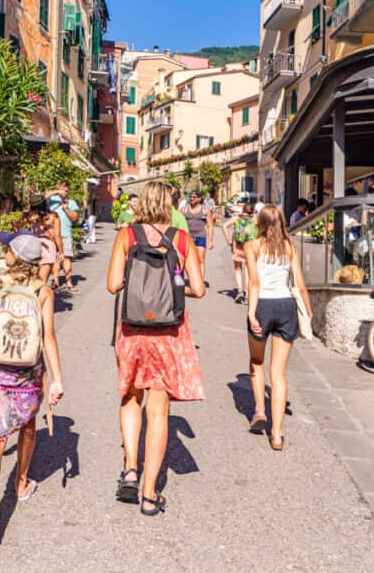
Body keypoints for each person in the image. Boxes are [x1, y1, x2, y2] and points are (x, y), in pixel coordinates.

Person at [107, 181, 205, 515]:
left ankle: (130, 470)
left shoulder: (126, 236)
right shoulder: (182, 239)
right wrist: (172, 287)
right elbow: (198, 289)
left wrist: (138, 285)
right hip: (168, 331)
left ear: (142, 202)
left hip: (133, 329)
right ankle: (150, 495)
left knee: (131, 397)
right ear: (170, 204)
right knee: (159, 411)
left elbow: (111, 285)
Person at [0, 232, 64, 552]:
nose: (4, 253)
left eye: (7, 249)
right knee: (27, 425)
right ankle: (21, 483)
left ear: (15, 256)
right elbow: (49, 338)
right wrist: (57, 379)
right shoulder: (43, 291)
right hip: (29, 373)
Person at [244, 205, 312, 451]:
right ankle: (277, 434)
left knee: (256, 362)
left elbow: (253, 282)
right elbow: (301, 285)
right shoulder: (290, 248)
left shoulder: (252, 246)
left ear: (260, 222)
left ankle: (260, 410)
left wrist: (251, 313)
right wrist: (308, 311)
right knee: (279, 374)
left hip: (262, 305)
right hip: (286, 307)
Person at [222, 201, 257, 304]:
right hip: (250, 247)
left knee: (238, 268)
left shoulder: (237, 218)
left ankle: (240, 291)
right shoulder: (254, 219)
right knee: (248, 270)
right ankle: (247, 294)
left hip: (237, 246)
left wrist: (228, 240)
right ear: (252, 211)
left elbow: (224, 226)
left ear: (243, 210)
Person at [48, 182, 79, 292]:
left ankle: (68, 281)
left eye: (66, 190)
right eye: (62, 189)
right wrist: (56, 192)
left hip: (65, 234)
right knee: (54, 258)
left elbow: (75, 218)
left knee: (66, 257)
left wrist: (66, 209)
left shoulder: (71, 203)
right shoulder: (52, 200)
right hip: (51, 235)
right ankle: (56, 282)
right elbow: (43, 197)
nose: (64, 192)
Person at [184, 189, 214, 281]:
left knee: (201, 259)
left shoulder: (205, 209)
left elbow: (210, 225)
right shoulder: (185, 208)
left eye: (194, 197)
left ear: (199, 198)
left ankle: (200, 281)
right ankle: (192, 279)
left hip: (201, 236)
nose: (192, 198)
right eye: (191, 197)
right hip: (188, 238)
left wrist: (210, 240)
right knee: (188, 260)